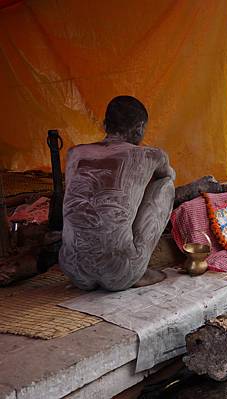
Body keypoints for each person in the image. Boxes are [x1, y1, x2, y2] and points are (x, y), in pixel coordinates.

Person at [59, 96, 176, 291]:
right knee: (165, 185)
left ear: (105, 124)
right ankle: (139, 269)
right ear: (139, 128)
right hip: (121, 273)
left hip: (73, 270)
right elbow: (168, 175)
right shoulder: (151, 155)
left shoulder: (74, 153)